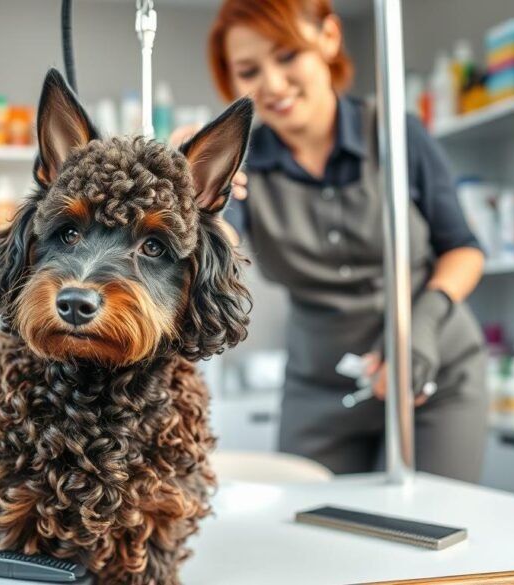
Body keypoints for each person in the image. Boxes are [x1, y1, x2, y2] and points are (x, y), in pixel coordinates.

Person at [171, 0, 488, 481]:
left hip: (435, 368)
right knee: (314, 532)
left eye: (287, 55)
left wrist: (418, 329)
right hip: (319, 389)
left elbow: (463, 250)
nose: (273, 84)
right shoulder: (242, 162)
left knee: (428, 524)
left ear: (329, 37)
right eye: (249, 70)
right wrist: (187, 187)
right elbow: (220, 243)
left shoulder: (397, 134)